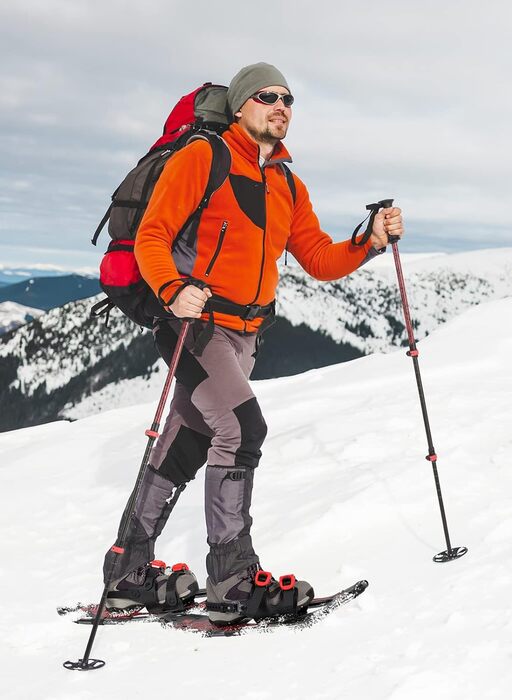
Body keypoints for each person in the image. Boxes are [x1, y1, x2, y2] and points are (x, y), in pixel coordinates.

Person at [102, 62, 404, 625]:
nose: (281, 106)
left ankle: (127, 574)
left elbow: (318, 259)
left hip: (246, 333)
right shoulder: (204, 158)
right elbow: (154, 234)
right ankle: (233, 580)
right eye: (267, 96)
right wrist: (172, 289)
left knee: (188, 442)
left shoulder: (288, 183)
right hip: (194, 323)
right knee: (241, 429)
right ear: (241, 105)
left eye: (289, 99)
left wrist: (370, 241)